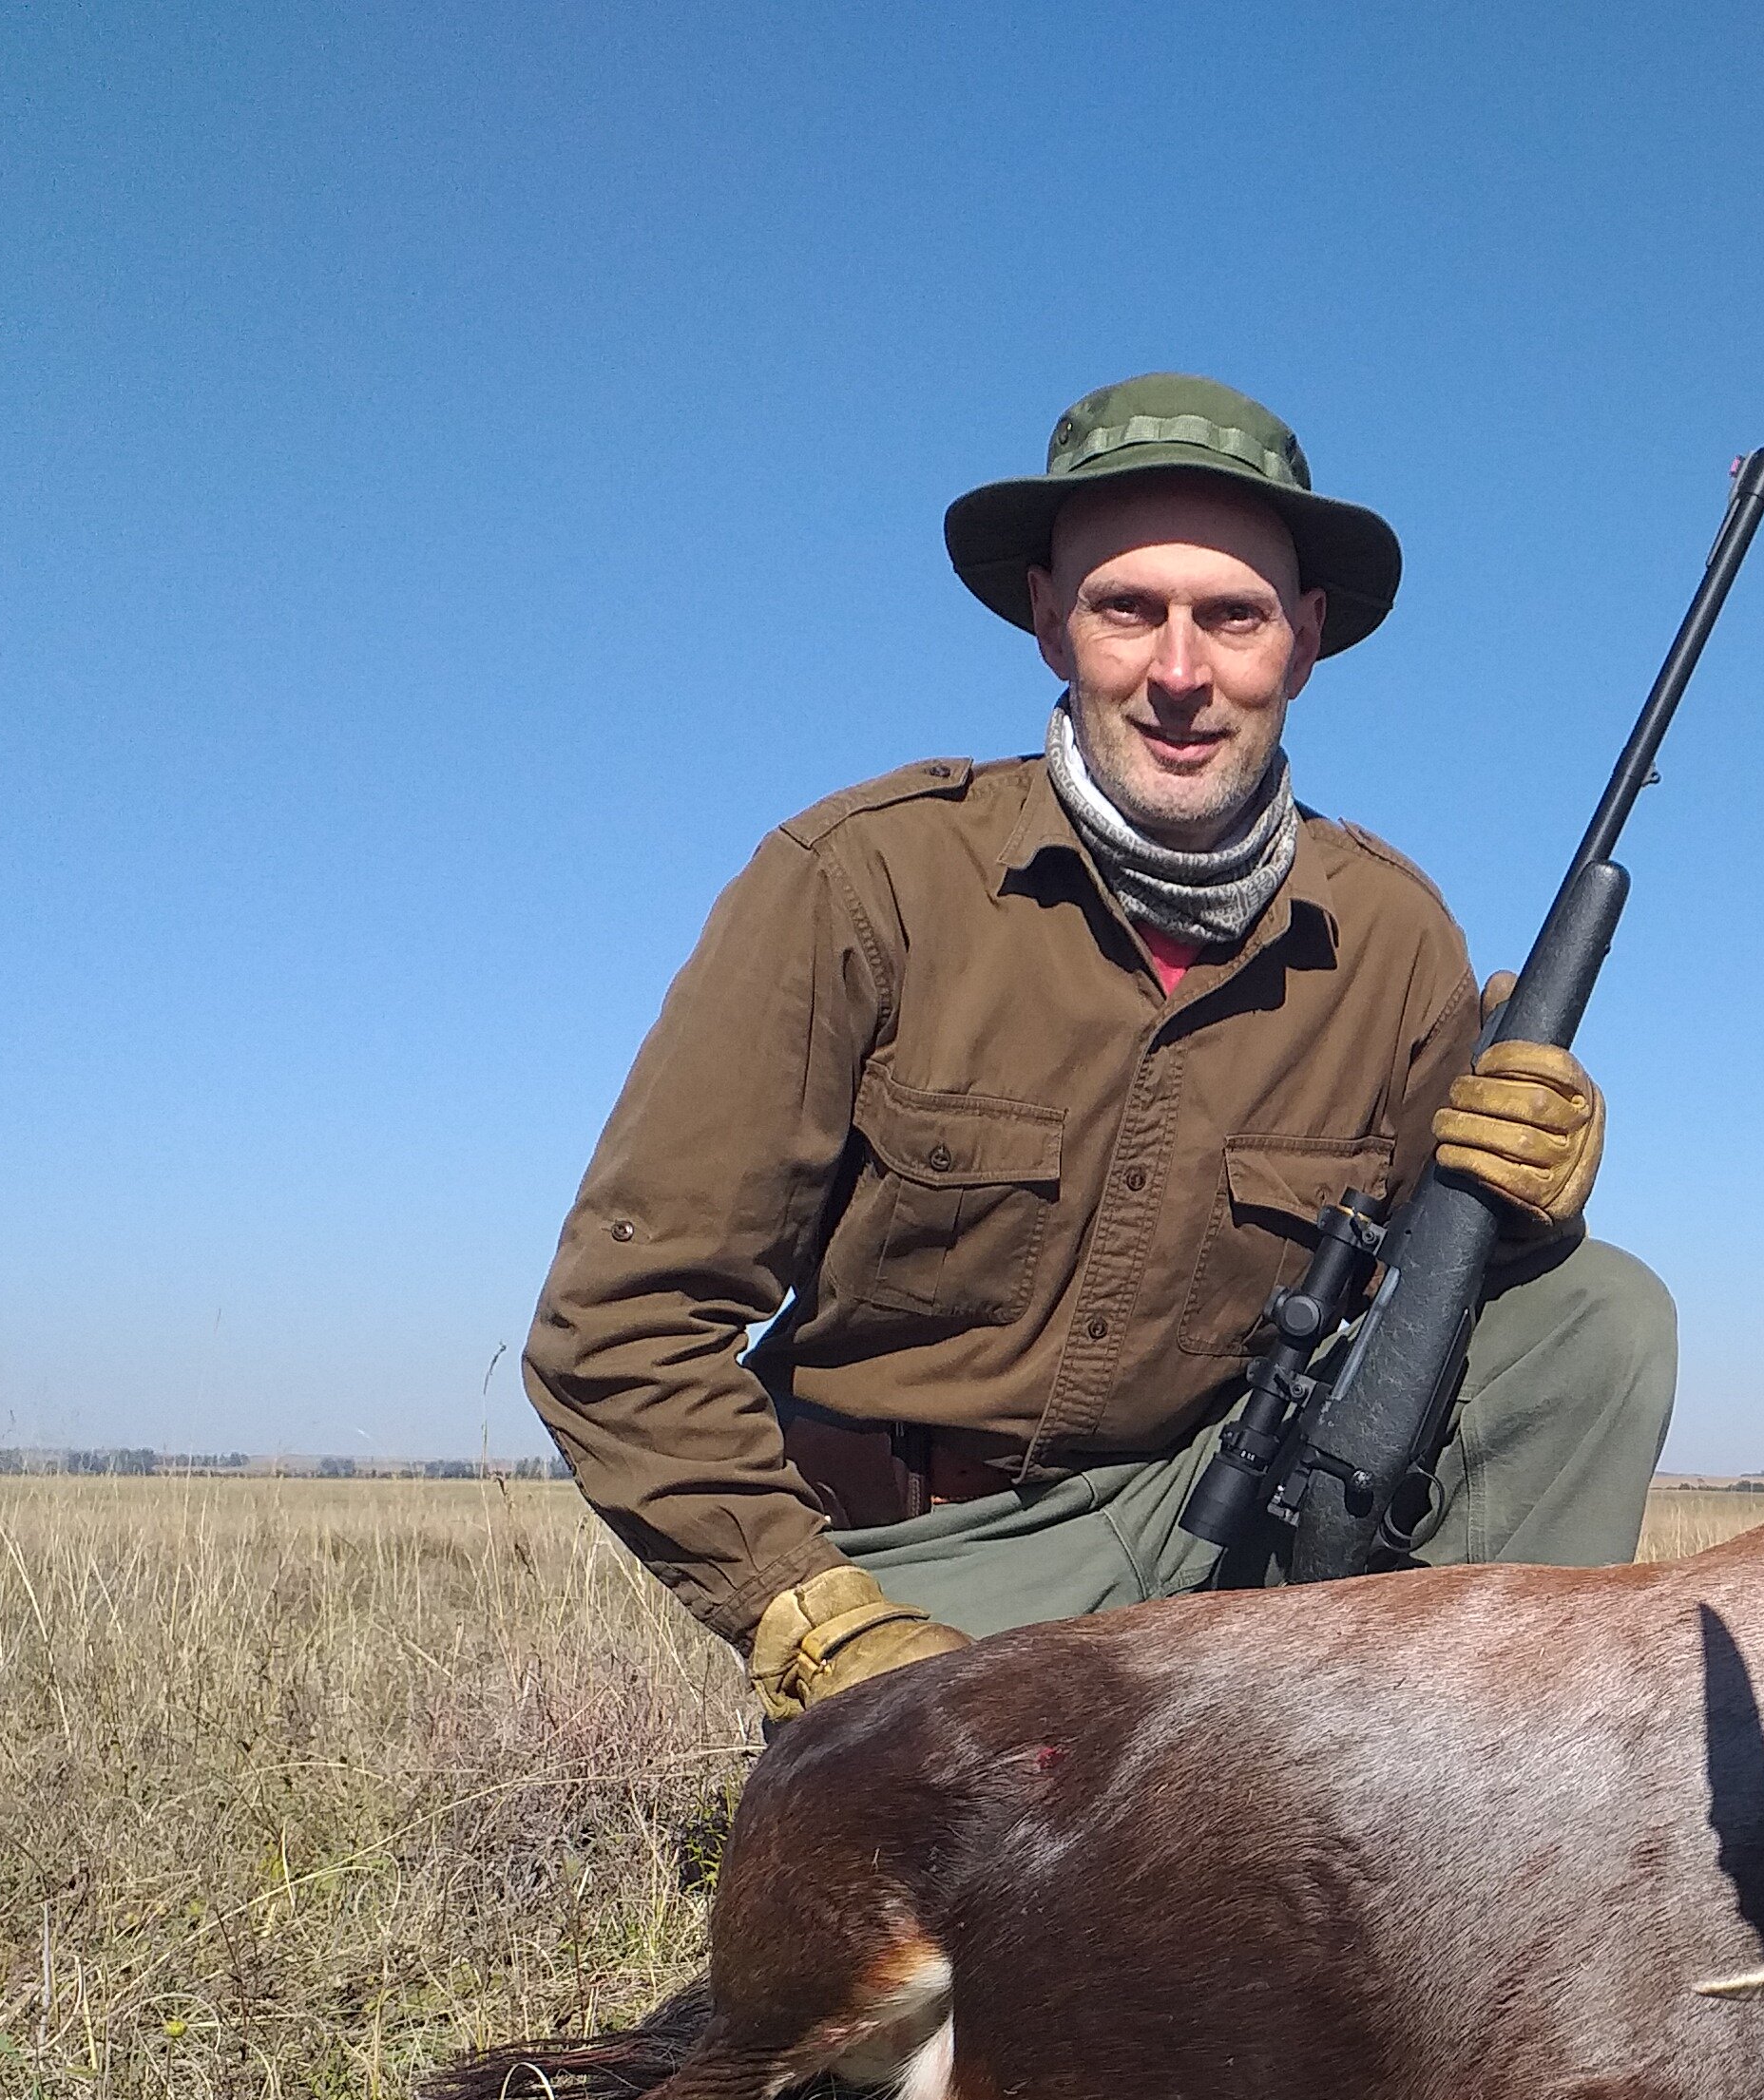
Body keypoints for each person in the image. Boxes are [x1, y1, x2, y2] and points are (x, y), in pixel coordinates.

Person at [526, 373, 1678, 1721]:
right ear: (1048, 620)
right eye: (1129, 609)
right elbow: (619, 1324)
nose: (1180, 675)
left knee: (1604, 1317)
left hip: (1217, 1514)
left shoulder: (1394, 936)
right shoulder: (861, 880)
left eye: (1234, 617)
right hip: (922, 1561)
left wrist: (1539, 1200)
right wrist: (815, 1620)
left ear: (1302, 643)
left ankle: (1469, 1787)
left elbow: (1438, 1301)